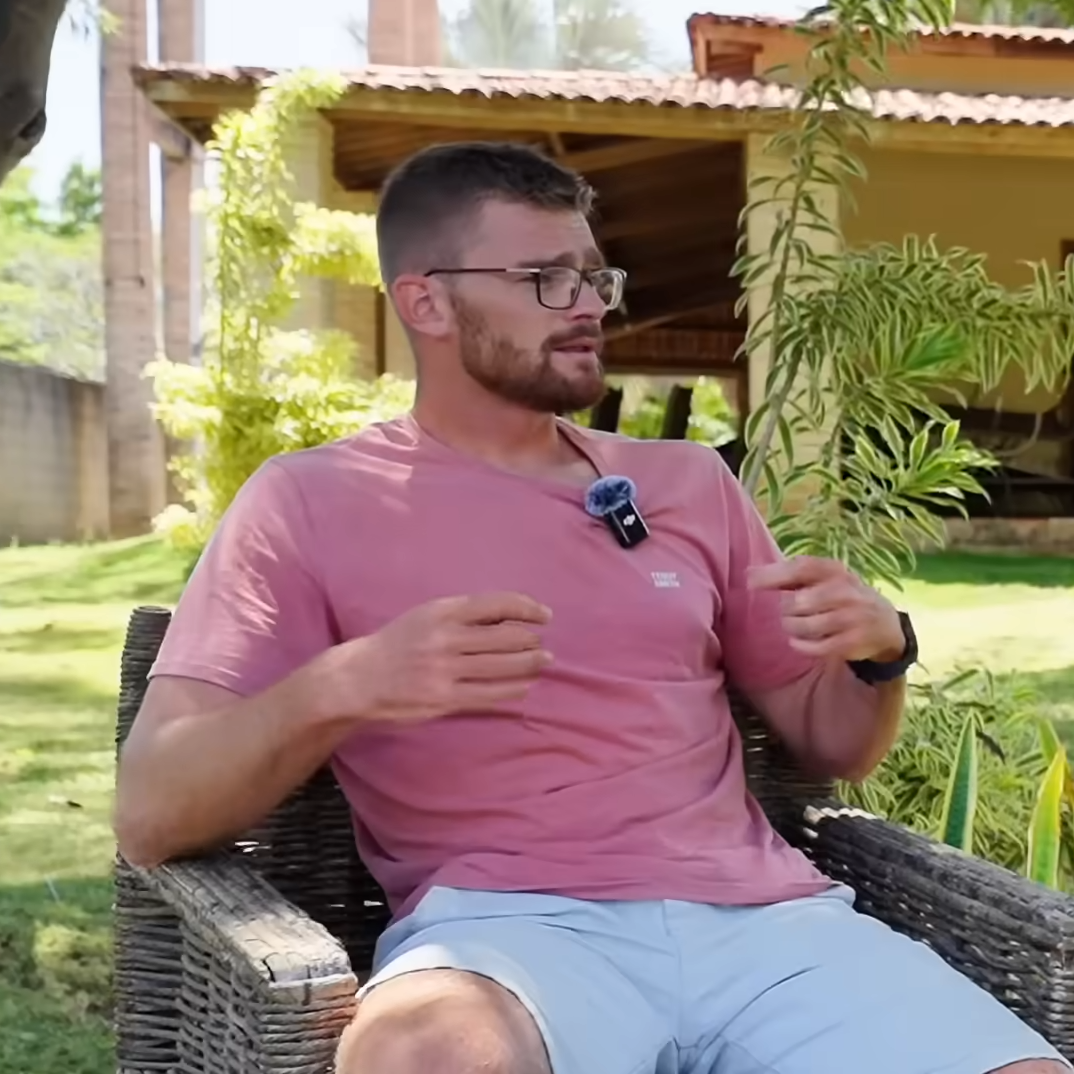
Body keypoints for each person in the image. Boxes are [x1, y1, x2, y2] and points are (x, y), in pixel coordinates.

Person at [114, 141, 1067, 1074]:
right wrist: (345, 684)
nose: (587, 308)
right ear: (426, 300)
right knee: (420, 1055)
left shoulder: (688, 481)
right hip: (509, 936)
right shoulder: (310, 501)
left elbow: (834, 743)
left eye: (593, 280)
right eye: (544, 280)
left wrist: (880, 655)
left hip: (771, 928)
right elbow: (153, 812)